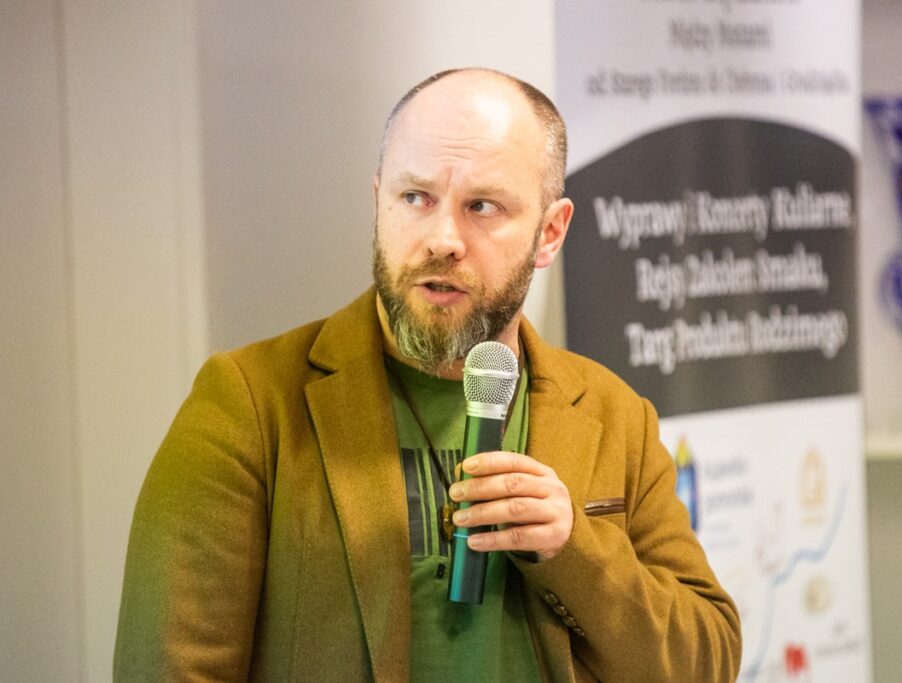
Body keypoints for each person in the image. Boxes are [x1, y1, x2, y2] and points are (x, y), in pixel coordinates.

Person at [114, 68, 741, 682]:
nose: (443, 238)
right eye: (415, 198)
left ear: (550, 233)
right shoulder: (249, 405)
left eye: (483, 206)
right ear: (379, 202)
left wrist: (574, 549)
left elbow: (707, 660)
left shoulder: (614, 415)